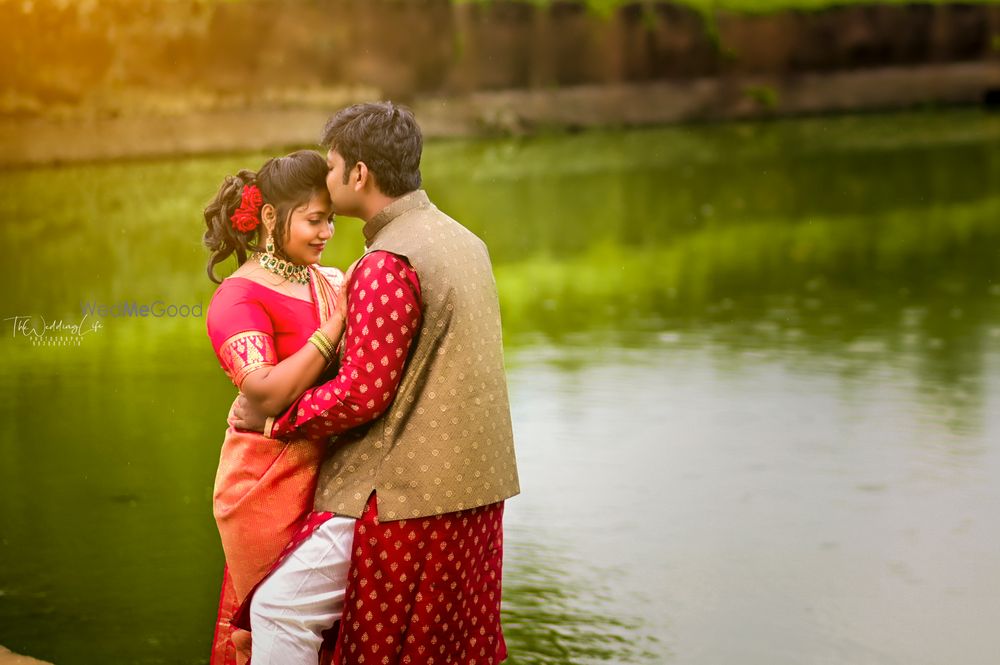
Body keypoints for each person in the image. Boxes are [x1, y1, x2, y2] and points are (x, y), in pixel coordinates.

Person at [230, 102, 521, 664]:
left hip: (404, 496)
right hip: (476, 491)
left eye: (333, 167)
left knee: (278, 610)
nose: (328, 177)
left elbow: (364, 392)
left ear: (358, 174)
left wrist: (274, 420)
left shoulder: (388, 261)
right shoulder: (465, 242)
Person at [202, 150, 350, 665]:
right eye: (314, 219)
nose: (326, 231)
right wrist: (335, 329)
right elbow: (264, 393)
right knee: (270, 626)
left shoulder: (330, 282)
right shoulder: (238, 297)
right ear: (270, 217)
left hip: (333, 476)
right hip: (264, 486)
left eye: (330, 219)